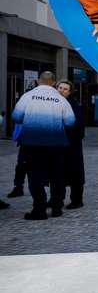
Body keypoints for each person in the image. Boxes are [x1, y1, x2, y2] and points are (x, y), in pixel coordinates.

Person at [11, 71, 75, 220]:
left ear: (39, 81)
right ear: (53, 83)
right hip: (56, 144)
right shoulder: (61, 100)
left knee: (35, 177)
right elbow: (70, 122)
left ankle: (39, 210)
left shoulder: (27, 97)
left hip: (32, 144)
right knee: (57, 176)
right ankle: (57, 208)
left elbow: (16, 117)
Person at [56, 80, 86, 209]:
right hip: (58, 145)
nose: (61, 91)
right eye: (60, 87)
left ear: (70, 92)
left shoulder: (74, 106)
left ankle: (77, 200)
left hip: (72, 145)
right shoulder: (54, 103)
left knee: (75, 173)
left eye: (65, 89)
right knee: (57, 173)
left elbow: (80, 129)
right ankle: (57, 199)